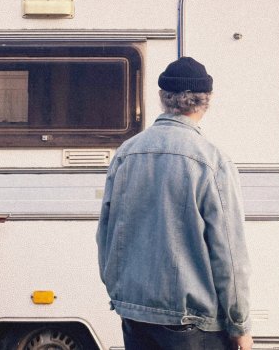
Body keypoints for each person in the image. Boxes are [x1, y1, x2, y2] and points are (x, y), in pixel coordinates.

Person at [97, 56, 253, 350]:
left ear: (162, 97)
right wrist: (239, 323)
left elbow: (105, 233)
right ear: (206, 101)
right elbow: (229, 254)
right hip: (191, 321)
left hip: (135, 315)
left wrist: (121, 293)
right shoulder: (212, 161)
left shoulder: (126, 153)